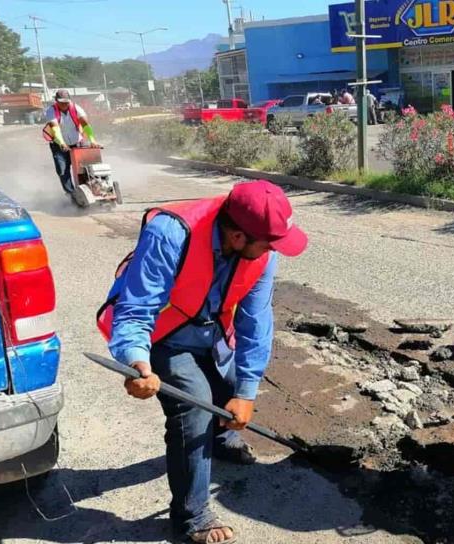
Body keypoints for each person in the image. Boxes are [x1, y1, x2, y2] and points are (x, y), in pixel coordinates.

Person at [96, 181, 308, 544]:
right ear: (238, 236)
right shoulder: (170, 233)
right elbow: (135, 309)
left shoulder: (261, 252)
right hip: (166, 336)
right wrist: (137, 363)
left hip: (211, 331)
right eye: (269, 243)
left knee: (226, 392)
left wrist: (247, 391)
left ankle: (222, 439)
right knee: (193, 405)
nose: (274, 251)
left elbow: (256, 322)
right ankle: (191, 516)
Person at [42, 89, 99, 196]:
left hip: (77, 142)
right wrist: (62, 143)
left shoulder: (77, 109)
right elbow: (55, 129)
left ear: (69, 101)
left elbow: (86, 124)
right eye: (61, 102)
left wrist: (92, 141)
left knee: (83, 168)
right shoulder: (51, 111)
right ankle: (71, 194)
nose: (64, 104)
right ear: (56, 101)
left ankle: (88, 191)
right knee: (63, 170)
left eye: (66, 102)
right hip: (59, 145)